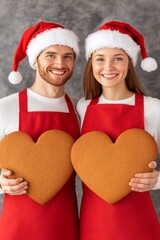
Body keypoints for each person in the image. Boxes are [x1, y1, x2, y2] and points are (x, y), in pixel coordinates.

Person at [76, 21, 160, 239]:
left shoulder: (153, 108)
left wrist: (157, 180)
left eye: (118, 58)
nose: (108, 67)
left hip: (138, 224)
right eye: (100, 59)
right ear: (91, 64)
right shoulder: (82, 107)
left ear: (129, 63)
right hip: (93, 223)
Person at [0, 21, 80, 239]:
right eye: (51, 55)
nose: (60, 63)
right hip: (19, 226)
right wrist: (1, 181)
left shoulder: (78, 108)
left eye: (67, 56)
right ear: (35, 61)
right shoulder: (6, 107)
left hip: (64, 223)